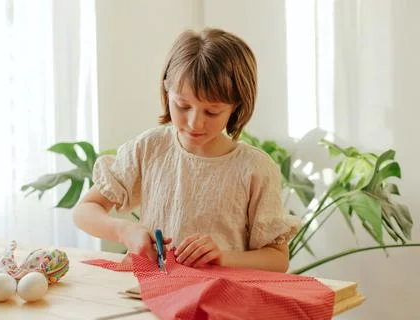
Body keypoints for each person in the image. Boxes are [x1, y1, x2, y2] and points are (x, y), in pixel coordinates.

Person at [73, 28, 299, 272]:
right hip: (154, 295)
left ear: (236, 107)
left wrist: (222, 257)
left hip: (221, 299)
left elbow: (277, 259)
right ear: (167, 91)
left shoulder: (255, 168)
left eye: (212, 111)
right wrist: (125, 230)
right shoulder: (149, 148)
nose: (195, 123)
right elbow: (84, 211)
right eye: (182, 105)